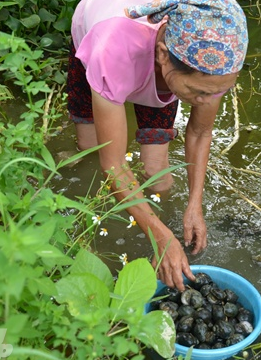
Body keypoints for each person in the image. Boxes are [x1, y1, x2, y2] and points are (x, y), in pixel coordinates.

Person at [67, 0, 248, 291]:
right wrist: (162, 237)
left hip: (164, 73)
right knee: (89, 147)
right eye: (199, 92)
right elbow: (113, 165)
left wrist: (194, 205)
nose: (207, 101)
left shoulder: (212, 64)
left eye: (218, 91)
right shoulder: (110, 49)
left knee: (159, 177)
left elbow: (201, 132)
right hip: (106, 41)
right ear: (163, 54)